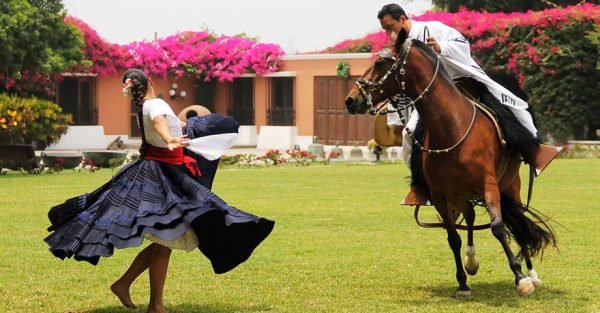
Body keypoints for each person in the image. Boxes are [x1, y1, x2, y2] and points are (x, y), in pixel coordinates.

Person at [44, 68, 275, 313]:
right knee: (166, 237)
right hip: (160, 177)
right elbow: (160, 122)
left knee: (165, 238)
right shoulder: (155, 105)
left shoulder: (144, 107)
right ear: (150, 82)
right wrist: (170, 139)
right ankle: (155, 305)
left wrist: (176, 135)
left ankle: (125, 285)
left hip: (163, 172)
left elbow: (165, 124)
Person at [376, 4, 561, 205]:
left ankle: (534, 151)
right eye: (385, 30)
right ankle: (421, 186)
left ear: (403, 19)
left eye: (390, 27)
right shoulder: (401, 49)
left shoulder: (434, 28)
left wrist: (441, 48)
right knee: (408, 133)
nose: (389, 33)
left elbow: (462, 44)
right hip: (432, 97)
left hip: (463, 81)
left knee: (507, 107)